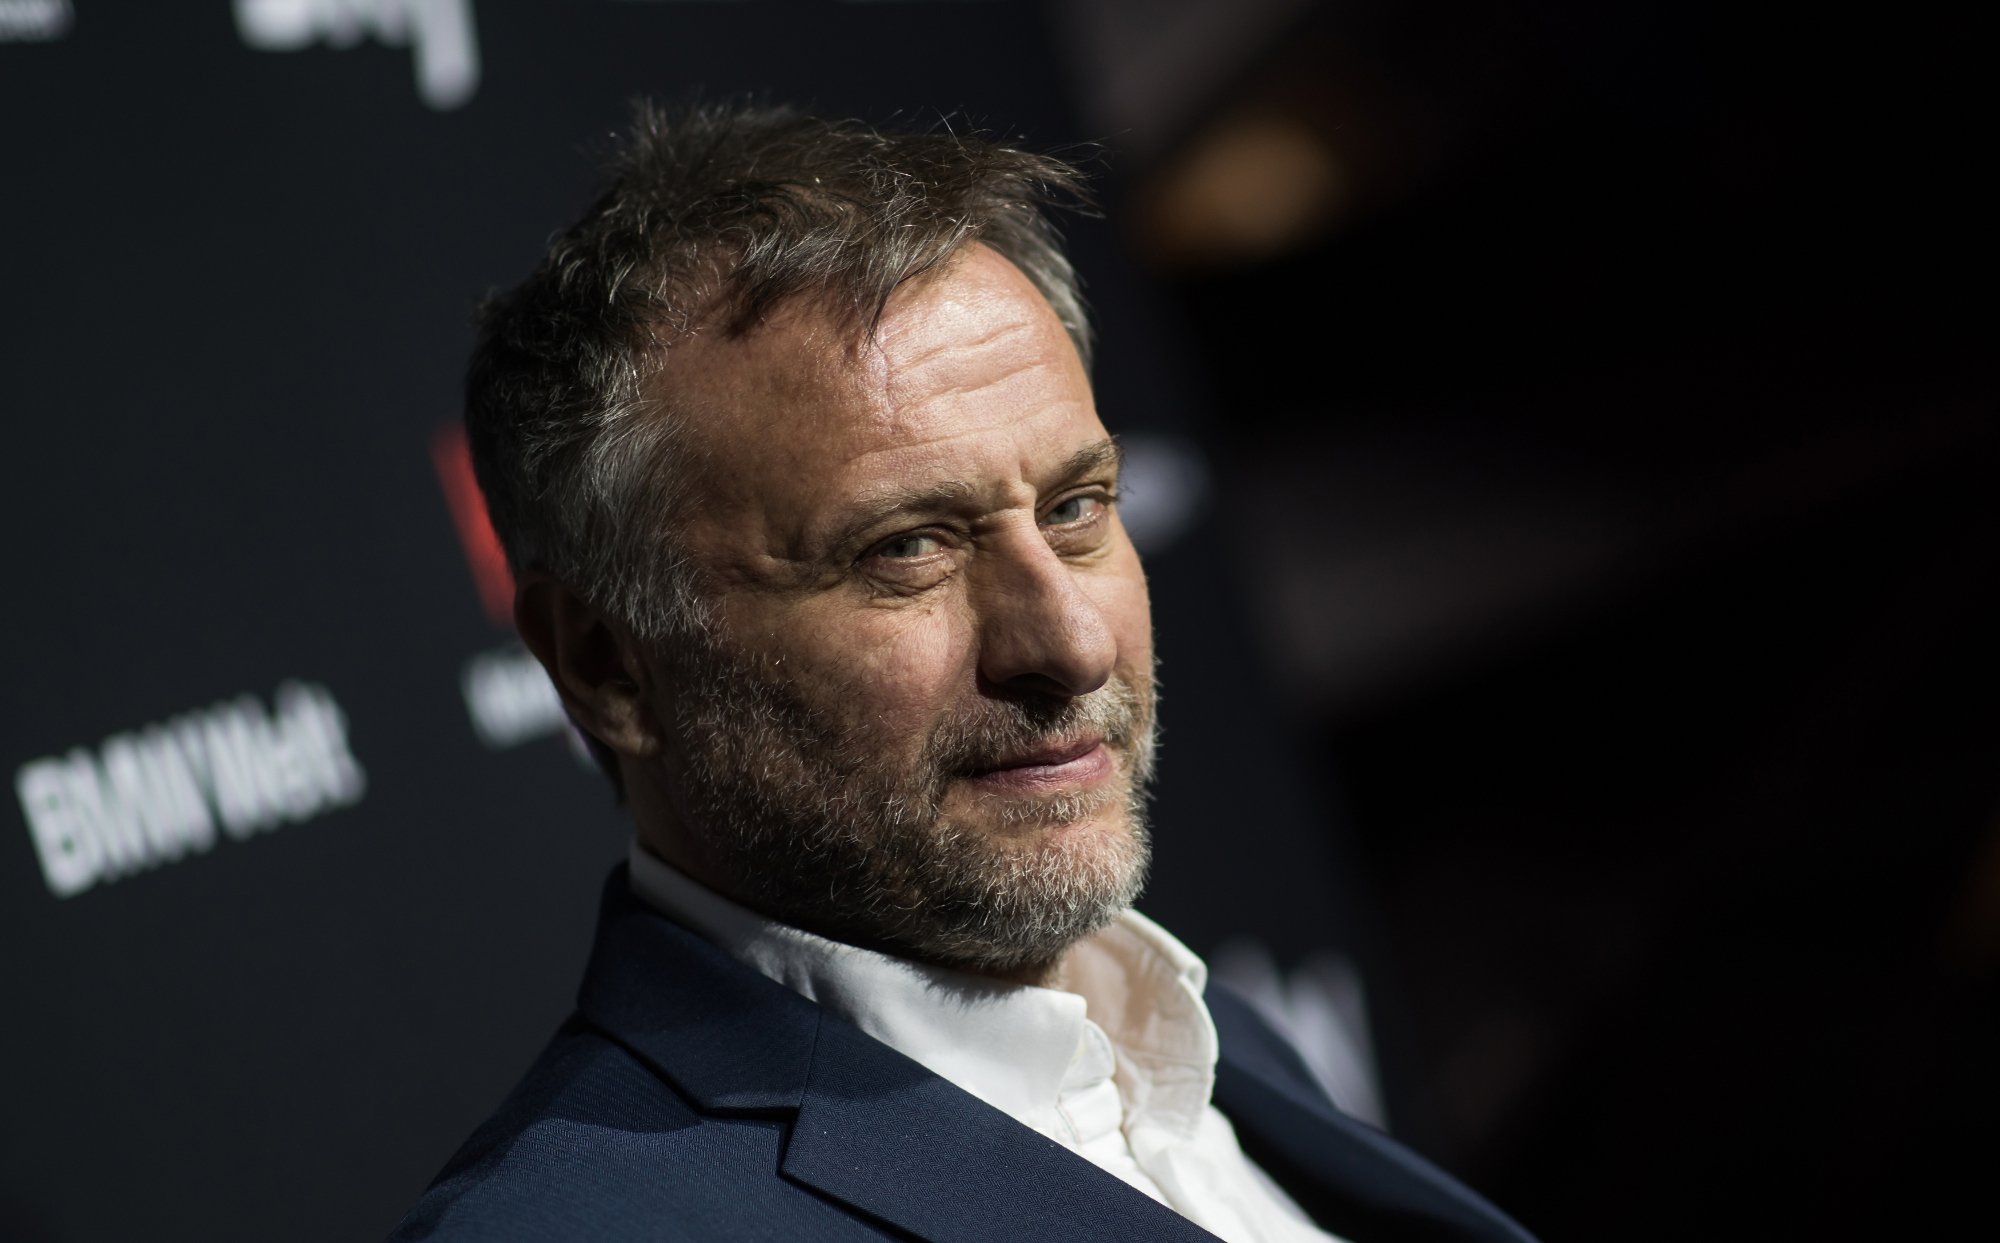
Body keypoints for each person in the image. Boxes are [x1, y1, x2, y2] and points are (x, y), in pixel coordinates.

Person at [390, 102, 1537, 1243]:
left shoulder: (1197, 1037)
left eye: (1077, 509)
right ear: (605, 664)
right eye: (906, 550)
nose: (1071, 644)